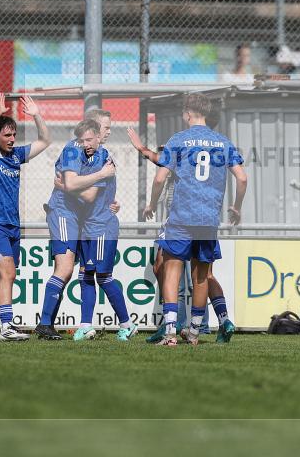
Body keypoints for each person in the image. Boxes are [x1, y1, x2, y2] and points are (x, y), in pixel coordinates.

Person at [140, 93, 247, 346]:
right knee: (201, 275)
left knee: (172, 270)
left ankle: (169, 333)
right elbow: (242, 178)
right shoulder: (222, 142)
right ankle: (195, 332)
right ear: (207, 113)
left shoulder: (179, 139)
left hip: (181, 216)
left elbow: (159, 178)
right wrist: (236, 206)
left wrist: (152, 203)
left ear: (188, 113)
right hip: (208, 218)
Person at [0, 93, 51, 342]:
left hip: (12, 226)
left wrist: (37, 114)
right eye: (7, 135)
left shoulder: (16, 156)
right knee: (8, 273)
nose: (12, 139)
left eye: (14, 135)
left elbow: (45, 140)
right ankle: (7, 325)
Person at [35, 118, 116, 340]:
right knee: (64, 268)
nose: (107, 131)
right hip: (64, 213)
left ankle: (51, 325)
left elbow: (88, 194)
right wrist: (97, 177)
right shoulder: (73, 149)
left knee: (74, 272)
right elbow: (72, 184)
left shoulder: (101, 155)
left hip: (80, 217)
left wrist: (110, 202)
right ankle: (44, 324)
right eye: (105, 126)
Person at [70, 122, 138, 342]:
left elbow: (88, 196)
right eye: (82, 141)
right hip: (89, 227)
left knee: (104, 277)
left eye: (89, 139)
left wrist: (66, 188)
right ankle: (86, 325)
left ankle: (127, 325)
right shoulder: (87, 159)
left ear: (99, 138)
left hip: (101, 227)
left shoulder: (102, 159)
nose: (86, 144)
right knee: (85, 276)